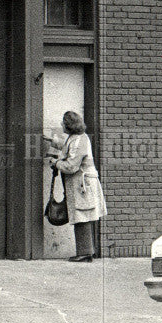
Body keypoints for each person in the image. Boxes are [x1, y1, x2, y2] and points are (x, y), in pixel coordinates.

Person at [48, 110, 107, 262]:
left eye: (63, 122)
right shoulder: (76, 138)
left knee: (82, 215)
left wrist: (56, 163)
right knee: (81, 214)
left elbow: (72, 166)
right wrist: (52, 141)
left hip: (83, 184)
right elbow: (68, 147)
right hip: (80, 184)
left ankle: (85, 253)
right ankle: (85, 252)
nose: (61, 124)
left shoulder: (79, 140)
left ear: (69, 125)